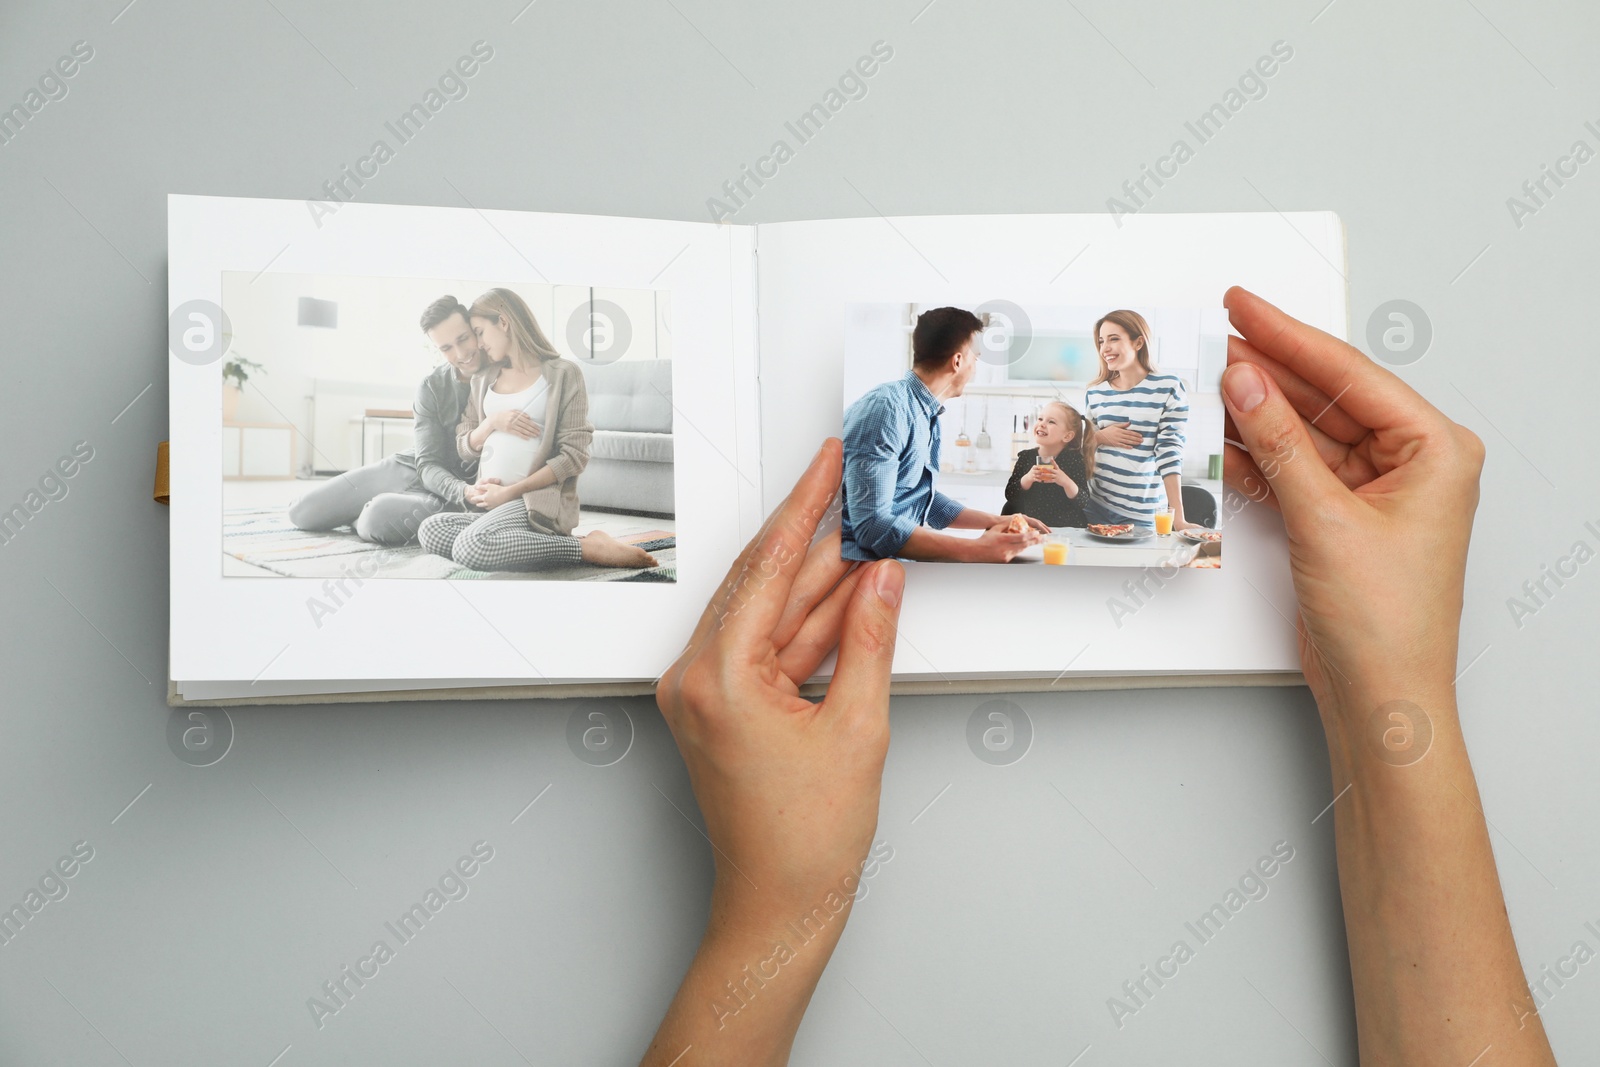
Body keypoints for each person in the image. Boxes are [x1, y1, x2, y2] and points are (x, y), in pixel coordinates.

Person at [639, 288, 1558, 1066]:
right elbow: (889, 521)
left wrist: (770, 919)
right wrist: (989, 531)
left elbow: (930, 506)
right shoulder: (915, 413)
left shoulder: (1014, 419)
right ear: (959, 357)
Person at [416, 288, 656, 572]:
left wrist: (510, 492)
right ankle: (512, 540)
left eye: (479, 332)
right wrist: (491, 422)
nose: (478, 345)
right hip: (489, 502)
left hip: (533, 502)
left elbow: (573, 457)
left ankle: (585, 548)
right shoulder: (484, 378)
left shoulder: (563, 374)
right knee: (430, 529)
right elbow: (462, 446)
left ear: (503, 323)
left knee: (471, 548)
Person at [840, 306, 1048, 564]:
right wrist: (976, 550)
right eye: (976, 358)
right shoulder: (886, 410)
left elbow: (921, 497)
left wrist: (999, 520)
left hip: (890, 565)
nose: (975, 368)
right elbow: (871, 525)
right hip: (857, 569)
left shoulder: (924, 412)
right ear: (958, 361)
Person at [286, 295, 485, 544]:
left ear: (475, 330)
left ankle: (365, 512)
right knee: (301, 513)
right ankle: (364, 508)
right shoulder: (432, 385)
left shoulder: (505, 375)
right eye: (446, 348)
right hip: (412, 467)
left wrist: (464, 492)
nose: (461, 353)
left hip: (448, 496)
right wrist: (461, 490)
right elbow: (427, 464)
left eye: (463, 339)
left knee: (374, 520)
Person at [1084, 309, 1199, 531]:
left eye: (1113, 339)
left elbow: (1170, 450)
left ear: (1138, 343)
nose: (1104, 348)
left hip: (1143, 514)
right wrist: (1099, 436)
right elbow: (1081, 446)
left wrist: (1178, 518)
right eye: (1101, 341)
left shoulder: (1169, 387)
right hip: (1094, 506)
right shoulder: (1094, 392)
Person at [1002, 399, 1095, 528]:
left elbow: (1083, 502)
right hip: (1032, 529)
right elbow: (1010, 495)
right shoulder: (1026, 458)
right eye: (1040, 419)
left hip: (1066, 530)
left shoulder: (1074, 460)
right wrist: (1027, 479)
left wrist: (1065, 481)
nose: (1042, 424)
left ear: (1067, 436)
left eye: (1051, 422)